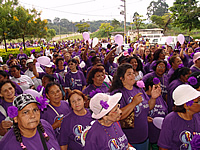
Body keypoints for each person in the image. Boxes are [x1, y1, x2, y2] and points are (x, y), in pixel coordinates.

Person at [109, 63, 161, 150]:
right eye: (129, 74)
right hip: (130, 140)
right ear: (121, 78)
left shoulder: (138, 89)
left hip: (144, 137)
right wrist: (133, 104)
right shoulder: (117, 93)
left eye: (133, 73)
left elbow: (148, 107)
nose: (133, 76)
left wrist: (153, 98)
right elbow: (117, 116)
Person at [158, 84, 200, 150]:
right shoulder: (171, 120)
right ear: (186, 105)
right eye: (198, 102)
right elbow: (163, 147)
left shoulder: (197, 115)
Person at [145, 77, 168, 150]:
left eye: (160, 87)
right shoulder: (143, 98)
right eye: (157, 87)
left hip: (160, 135)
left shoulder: (160, 97)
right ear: (149, 87)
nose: (159, 89)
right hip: (149, 136)